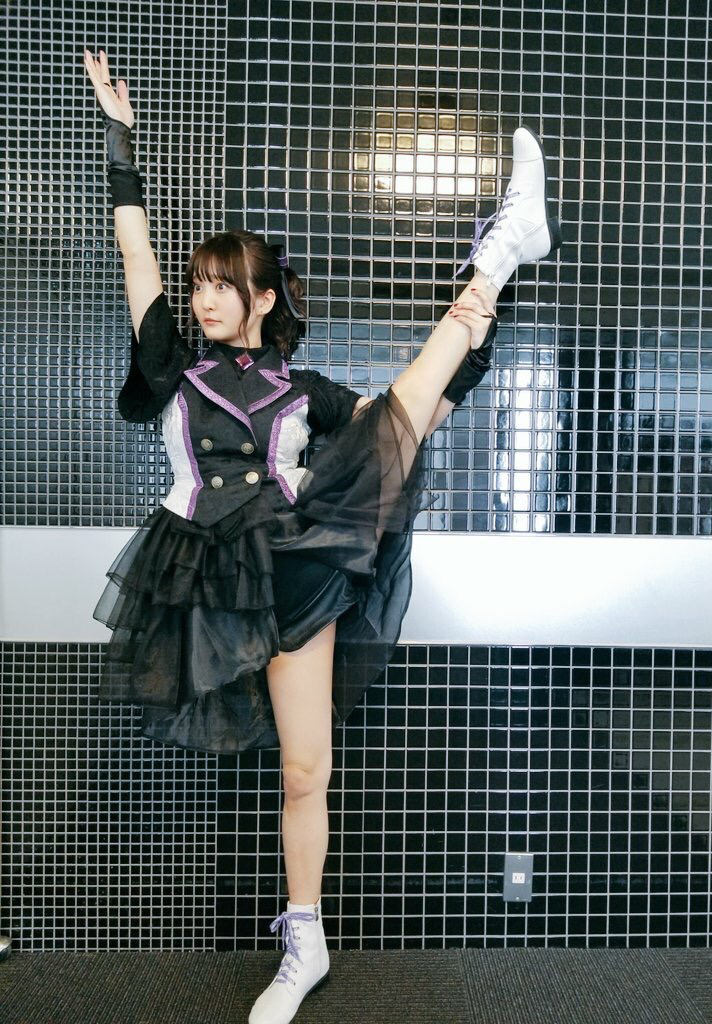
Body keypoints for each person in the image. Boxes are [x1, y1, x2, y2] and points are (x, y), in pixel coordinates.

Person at [84, 46, 561, 1024]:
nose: (203, 296)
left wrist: (476, 343)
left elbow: (407, 425)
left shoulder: (307, 389)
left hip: (292, 565)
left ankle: (304, 944)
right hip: (196, 570)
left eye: (222, 283)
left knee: (307, 770)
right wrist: (119, 141)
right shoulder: (173, 365)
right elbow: (136, 259)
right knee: (397, 413)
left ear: (263, 298)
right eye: (199, 282)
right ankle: (502, 253)